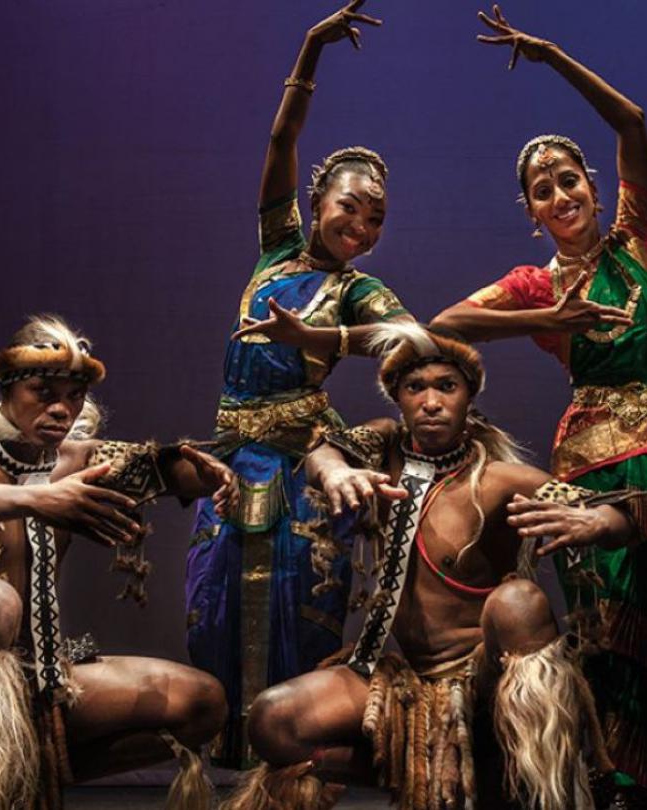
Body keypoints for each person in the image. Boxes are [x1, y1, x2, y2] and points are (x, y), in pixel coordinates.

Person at [430, 6, 647, 802]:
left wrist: (553, 58)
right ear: (532, 212)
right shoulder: (540, 284)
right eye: (542, 190)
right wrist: (546, 320)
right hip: (591, 460)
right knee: (602, 626)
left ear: (592, 185)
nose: (559, 194)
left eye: (568, 178)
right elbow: (446, 322)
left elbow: (633, 118)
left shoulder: (636, 239)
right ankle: (611, 778)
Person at [224, 324, 646, 810]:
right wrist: (337, 472)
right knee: (274, 719)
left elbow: (618, 512)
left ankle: (535, 786)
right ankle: (429, 771)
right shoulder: (383, 452)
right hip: (411, 686)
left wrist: (598, 519)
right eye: (414, 388)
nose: (430, 401)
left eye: (447, 387)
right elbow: (325, 449)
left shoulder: (501, 481)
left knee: (518, 600)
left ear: (469, 398)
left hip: (485, 684)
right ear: (398, 400)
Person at [0, 315, 237, 809]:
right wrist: (36, 501)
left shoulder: (76, 460)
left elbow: (161, 467)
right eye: (42, 391)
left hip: (44, 673)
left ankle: (32, 768)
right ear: (8, 391)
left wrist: (210, 472)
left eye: (73, 396)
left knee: (202, 702)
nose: (61, 408)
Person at [183, 0, 416, 765]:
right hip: (233, 454)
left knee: (297, 605)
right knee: (215, 602)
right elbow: (282, 135)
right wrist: (311, 49)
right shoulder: (275, 249)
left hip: (301, 459)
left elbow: (410, 338)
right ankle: (226, 756)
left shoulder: (355, 290)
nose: (362, 222)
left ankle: (290, 750)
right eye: (351, 204)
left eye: (377, 217)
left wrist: (320, 338)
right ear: (317, 203)